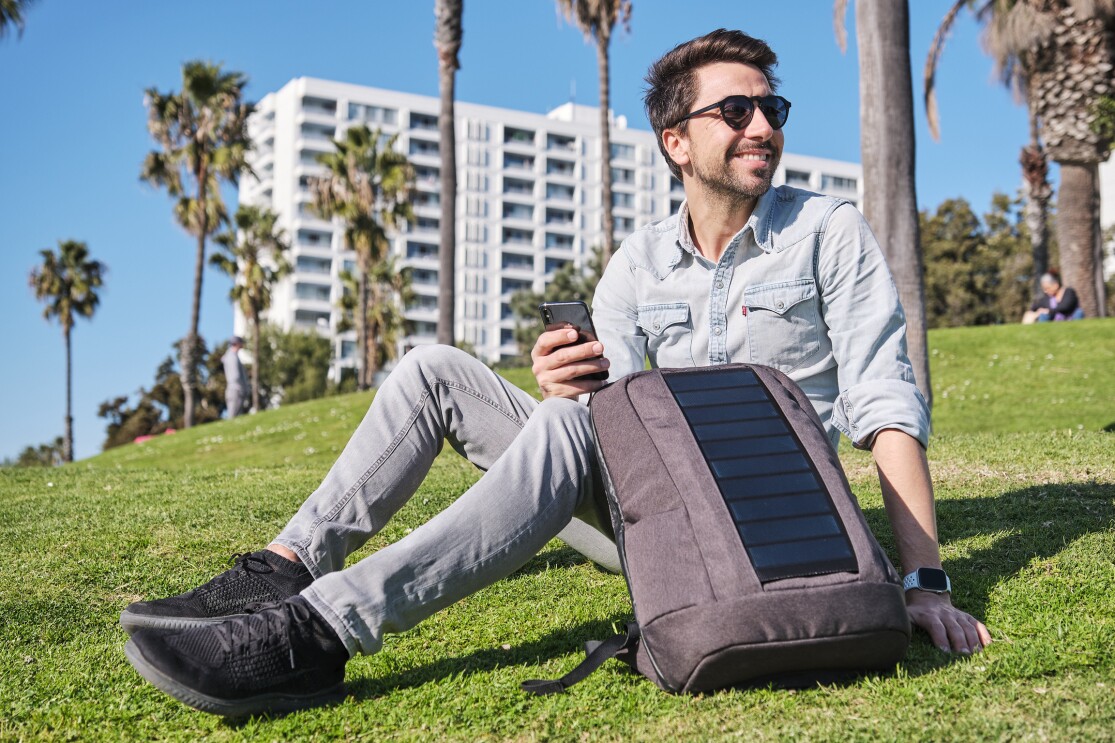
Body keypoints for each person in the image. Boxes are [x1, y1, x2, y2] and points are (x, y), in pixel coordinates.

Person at [120, 29, 992, 717]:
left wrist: (920, 582)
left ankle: (320, 632)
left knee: (571, 424)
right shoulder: (638, 263)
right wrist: (562, 377)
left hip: (782, 529)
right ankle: (285, 568)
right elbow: (600, 413)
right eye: (735, 112)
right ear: (676, 142)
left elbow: (886, 403)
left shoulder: (825, 232)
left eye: (771, 108)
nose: (762, 126)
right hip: (661, 524)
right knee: (436, 368)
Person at [222, 336, 249, 418]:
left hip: (235, 390)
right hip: (236, 390)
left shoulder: (232, 356)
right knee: (233, 417)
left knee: (236, 417)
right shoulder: (232, 357)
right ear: (237, 343)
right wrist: (243, 388)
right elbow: (235, 376)